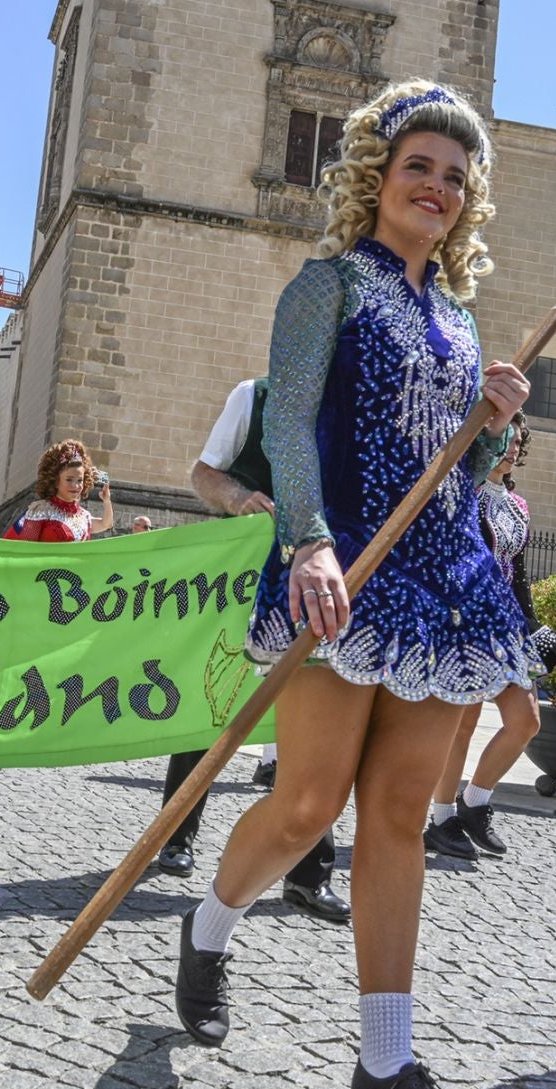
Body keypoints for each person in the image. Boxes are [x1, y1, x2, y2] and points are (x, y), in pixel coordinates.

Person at [166, 80, 531, 1089]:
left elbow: (454, 472)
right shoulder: (322, 288)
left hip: (442, 585)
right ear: (378, 176)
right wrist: (309, 541)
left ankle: (386, 1059)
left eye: (456, 177)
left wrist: (491, 421)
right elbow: (285, 426)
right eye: (419, 166)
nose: (438, 188)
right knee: (306, 806)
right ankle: (210, 924)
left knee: (401, 819)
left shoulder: (461, 321)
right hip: (344, 572)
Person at [157, 377, 350, 926]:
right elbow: (204, 474)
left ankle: (310, 875)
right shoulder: (255, 396)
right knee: (211, 708)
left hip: (314, 584)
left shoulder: (354, 401)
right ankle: (176, 836)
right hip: (242, 582)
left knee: (312, 727)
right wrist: (238, 499)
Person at [424, 412, 556, 861]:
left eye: (520, 442)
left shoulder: (518, 507)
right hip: (466, 620)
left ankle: (475, 801)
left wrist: (534, 625)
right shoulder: (470, 493)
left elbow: (518, 574)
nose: (515, 448)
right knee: (460, 724)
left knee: (526, 720)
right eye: (509, 440)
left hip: (506, 624)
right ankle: (441, 818)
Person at [3, 440, 114, 541]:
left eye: (80, 480)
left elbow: (106, 524)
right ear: (55, 481)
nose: (75, 486)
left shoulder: (84, 517)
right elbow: (25, 549)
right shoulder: (40, 510)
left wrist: (107, 500)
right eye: (69, 479)